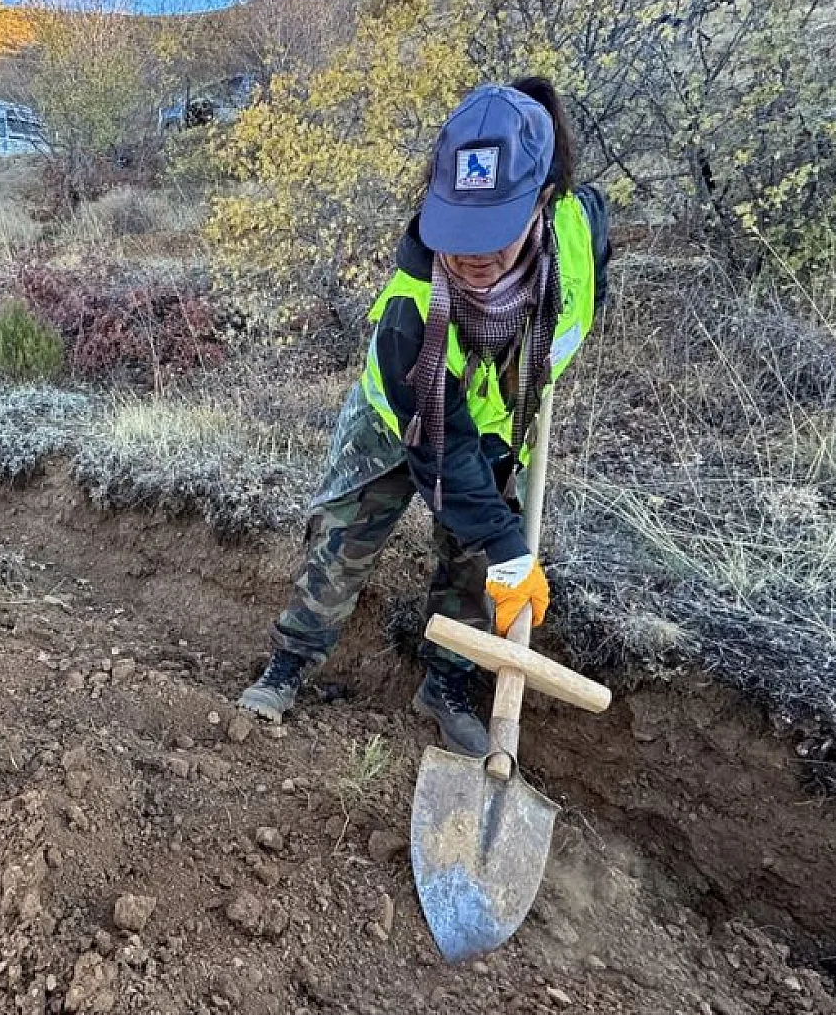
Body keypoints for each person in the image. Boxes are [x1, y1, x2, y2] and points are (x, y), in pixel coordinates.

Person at [236, 78, 613, 757]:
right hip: (400, 423)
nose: (470, 257)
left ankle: (445, 688)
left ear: (542, 203)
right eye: (457, 232)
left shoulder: (578, 229)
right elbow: (443, 453)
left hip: (499, 425)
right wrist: (508, 549)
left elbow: (593, 247)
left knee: (478, 567)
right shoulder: (417, 308)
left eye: (492, 233)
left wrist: (496, 552)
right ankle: (288, 665)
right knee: (346, 543)